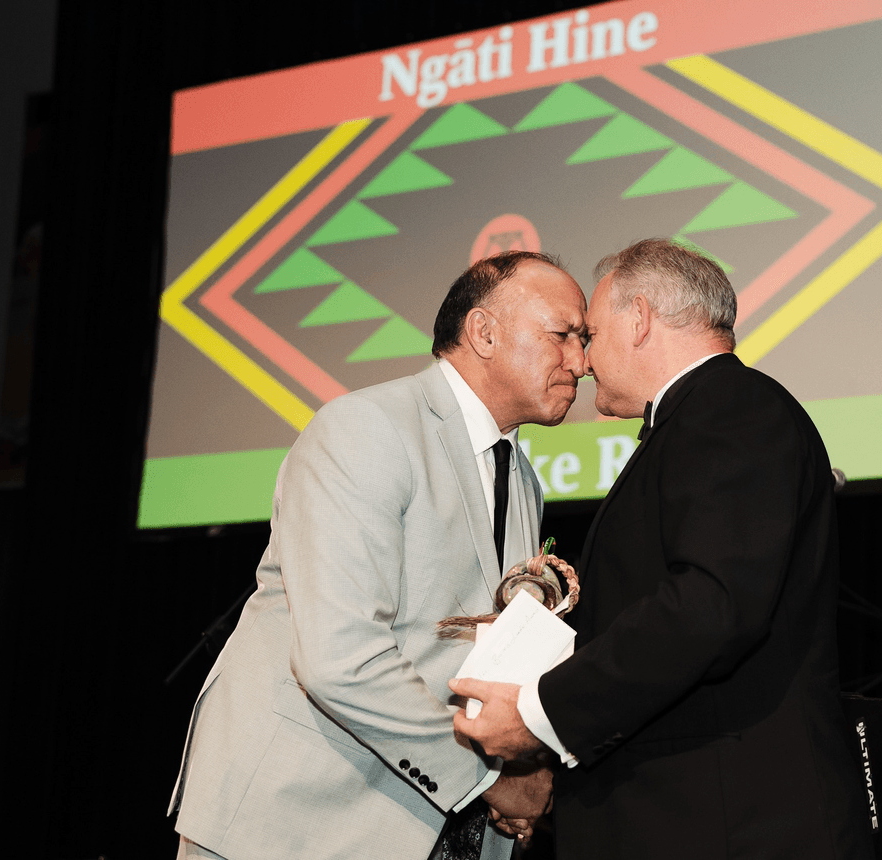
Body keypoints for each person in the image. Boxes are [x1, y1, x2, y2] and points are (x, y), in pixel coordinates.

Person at [452, 239, 876, 859]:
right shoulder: (701, 418)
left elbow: (709, 606)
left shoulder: (732, 407)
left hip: (731, 827)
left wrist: (541, 711)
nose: (583, 360)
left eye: (590, 334)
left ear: (641, 318)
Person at [168, 251, 588, 860]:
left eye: (583, 341)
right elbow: (340, 659)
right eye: (562, 336)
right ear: (484, 332)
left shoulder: (522, 478)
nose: (581, 361)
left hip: (420, 826)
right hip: (294, 821)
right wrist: (489, 779)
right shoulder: (366, 428)